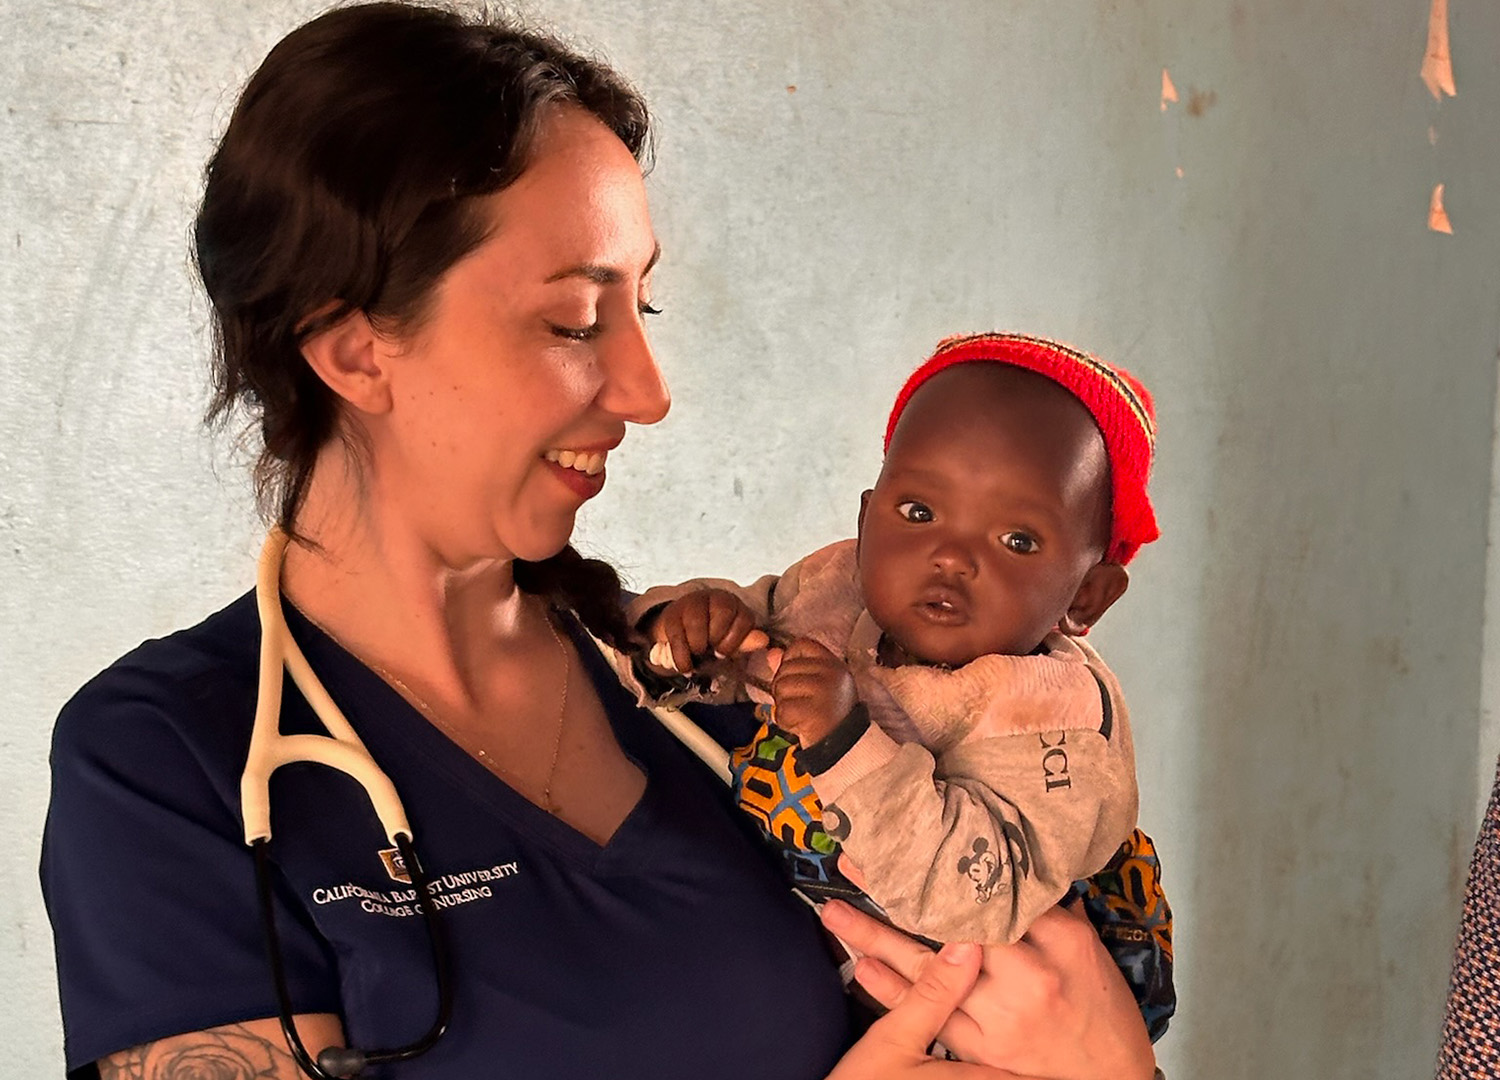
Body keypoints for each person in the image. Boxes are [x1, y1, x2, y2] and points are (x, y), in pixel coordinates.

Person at [38, 5, 1161, 1079]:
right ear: (353, 351)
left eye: (644, 310)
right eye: (577, 320)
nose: (649, 389)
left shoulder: (718, 691)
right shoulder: (173, 764)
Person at [631, 333, 1173, 1038]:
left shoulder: (1057, 725)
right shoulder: (837, 592)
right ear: (866, 521)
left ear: (1089, 597)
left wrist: (846, 742)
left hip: (984, 1021)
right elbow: (725, 665)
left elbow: (976, 901)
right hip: (814, 957)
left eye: (1017, 540)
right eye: (918, 513)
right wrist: (688, 633)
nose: (950, 555)